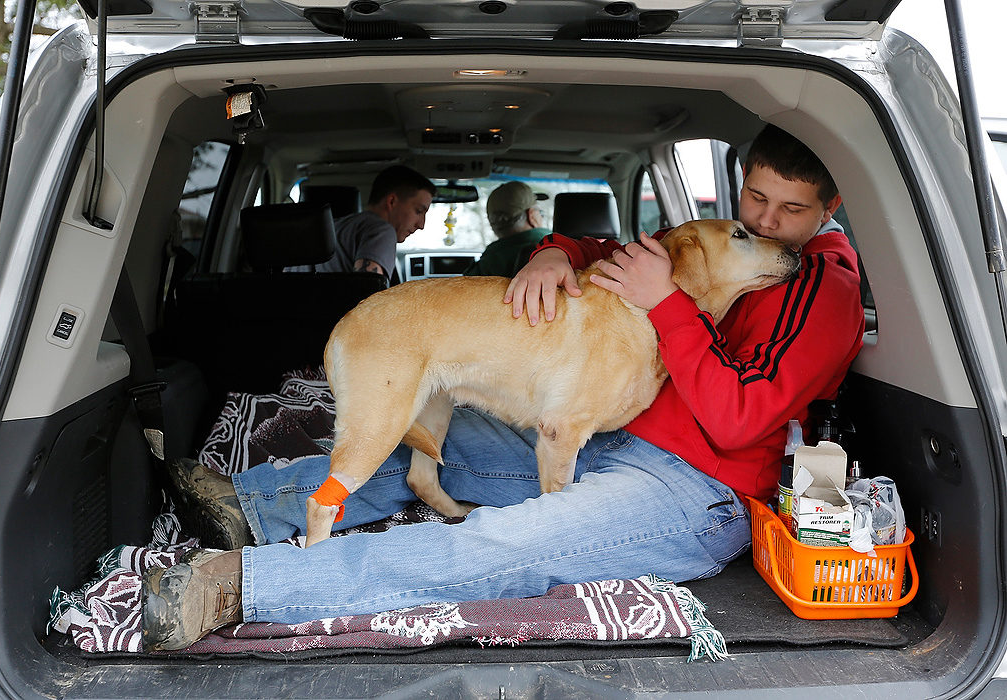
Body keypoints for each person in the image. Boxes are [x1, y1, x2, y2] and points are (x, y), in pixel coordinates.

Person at [141, 124, 866, 651]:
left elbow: (740, 421)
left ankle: (245, 586)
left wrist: (666, 306)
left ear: (830, 206)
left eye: (790, 210)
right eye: (756, 198)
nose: (765, 222)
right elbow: (615, 254)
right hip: (613, 438)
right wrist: (552, 254)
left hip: (696, 492)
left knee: (503, 544)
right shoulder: (716, 242)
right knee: (424, 434)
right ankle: (247, 504)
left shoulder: (814, 286)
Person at [308, 165, 436, 278]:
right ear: (392, 201)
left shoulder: (334, 228)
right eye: (419, 211)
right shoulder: (382, 230)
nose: (421, 225)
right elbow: (368, 297)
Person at [464, 181, 550, 277]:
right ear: (531, 216)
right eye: (540, 212)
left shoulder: (484, 266)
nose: (541, 217)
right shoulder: (559, 250)